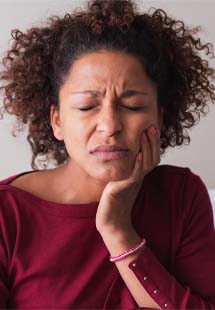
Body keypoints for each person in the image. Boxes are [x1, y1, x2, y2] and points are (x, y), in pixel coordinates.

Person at [0, 0, 215, 308]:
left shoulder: (182, 196)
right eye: (87, 107)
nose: (110, 126)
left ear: (160, 117)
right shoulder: (8, 215)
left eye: (133, 106)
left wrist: (117, 229)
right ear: (57, 120)